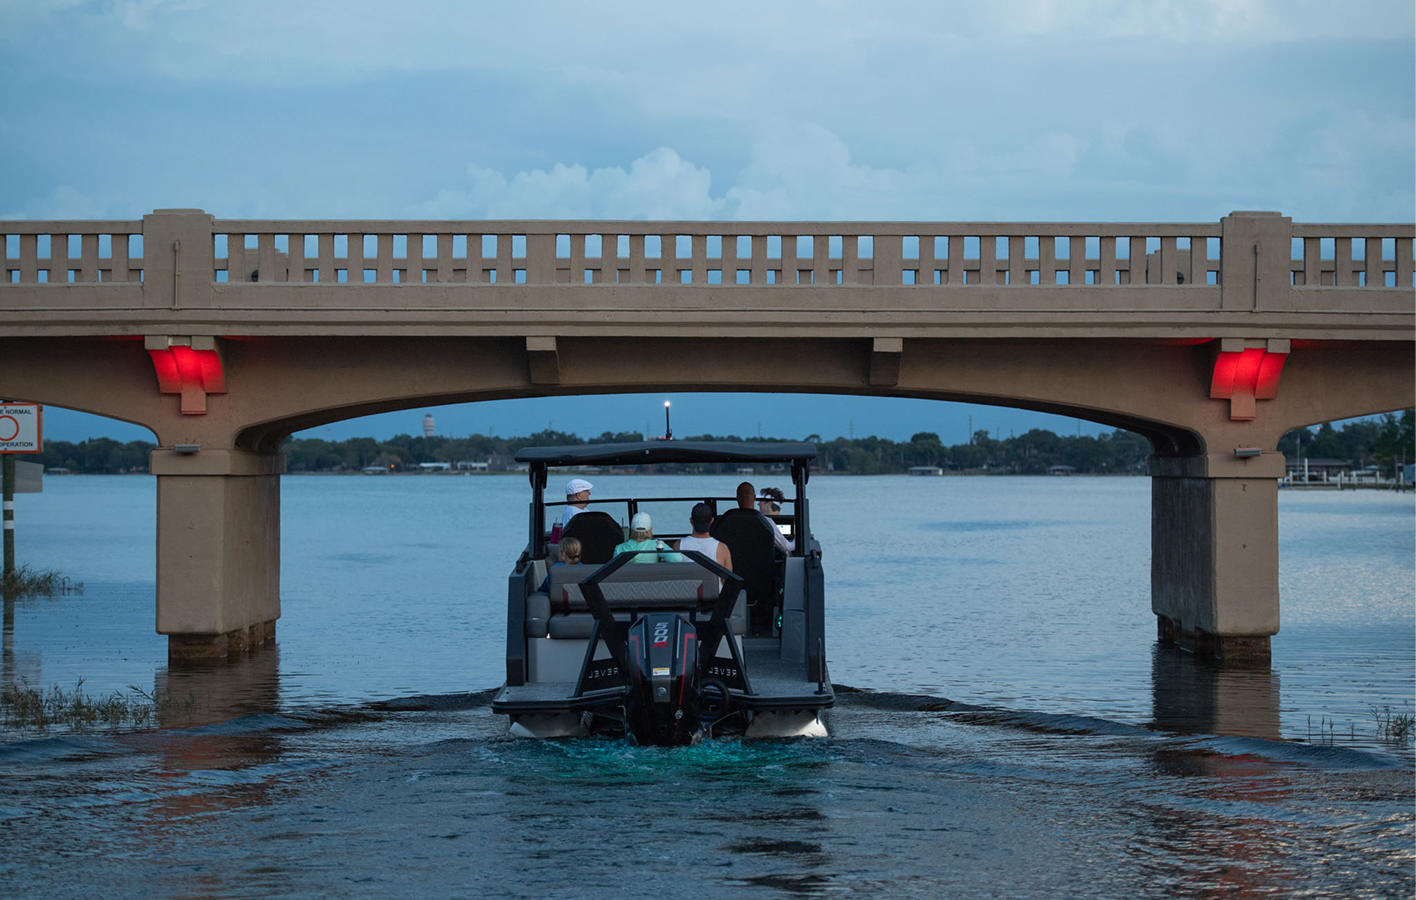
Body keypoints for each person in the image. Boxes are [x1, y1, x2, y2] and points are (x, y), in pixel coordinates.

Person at [678, 502, 733, 578]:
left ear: (691, 520)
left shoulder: (679, 545)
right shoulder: (722, 549)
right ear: (712, 521)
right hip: (713, 590)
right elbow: (728, 581)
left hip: (688, 589)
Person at [735, 481, 793, 554]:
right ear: (754, 498)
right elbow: (787, 548)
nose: (758, 504)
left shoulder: (730, 521)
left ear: (769, 503)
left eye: (761, 501)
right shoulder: (766, 522)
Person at [613, 512, 684, 563]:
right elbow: (677, 559)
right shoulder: (656, 545)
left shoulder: (619, 548)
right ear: (650, 530)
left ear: (631, 530)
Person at [550, 477, 593, 543]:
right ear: (579, 496)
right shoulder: (576, 514)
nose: (589, 493)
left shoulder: (581, 511)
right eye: (587, 491)